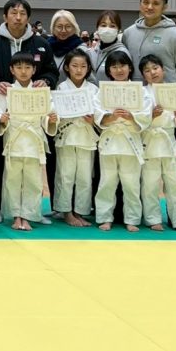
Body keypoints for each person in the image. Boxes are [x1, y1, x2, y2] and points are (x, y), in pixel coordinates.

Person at [0, 0, 58, 224]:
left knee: (33, 170)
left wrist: (45, 80)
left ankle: (33, 211)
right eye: (13, 13)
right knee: (0, 163)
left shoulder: (41, 43)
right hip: (5, 110)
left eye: (22, 13)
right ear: (5, 16)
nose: (18, 17)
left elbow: (52, 72)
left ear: (28, 18)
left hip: (34, 112)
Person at [0, 52, 58, 231]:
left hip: (34, 141)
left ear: (34, 70)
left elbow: (49, 113)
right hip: (13, 140)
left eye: (28, 67)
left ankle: (28, 216)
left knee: (34, 181)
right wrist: (1, 119)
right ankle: (16, 216)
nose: (23, 71)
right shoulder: (5, 92)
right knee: (12, 180)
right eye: (19, 67)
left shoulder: (41, 92)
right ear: (11, 70)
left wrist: (51, 119)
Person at [94, 51, 151, 232]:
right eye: (114, 66)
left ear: (130, 68)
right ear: (109, 70)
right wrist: (110, 117)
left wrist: (132, 117)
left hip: (130, 141)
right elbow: (97, 113)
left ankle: (132, 219)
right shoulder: (102, 91)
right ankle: (105, 217)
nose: (119, 70)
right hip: (109, 141)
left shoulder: (140, 91)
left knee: (131, 183)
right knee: (107, 182)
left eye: (122, 66)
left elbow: (146, 115)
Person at [140, 54, 176, 233]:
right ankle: (152, 219)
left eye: (155, 68)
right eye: (147, 70)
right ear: (143, 75)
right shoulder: (141, 93)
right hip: (149, 141)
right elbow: (136, 119)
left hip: (169, 141)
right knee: (150, 184)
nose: (152, 72)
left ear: (163, 69)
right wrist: (151, 116)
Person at [54, 50, 98, 227]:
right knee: (65, 175)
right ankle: (66, 211)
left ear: (88, 69)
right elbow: (56, 113)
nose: (79, 70)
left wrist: (93, 119)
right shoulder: (61, 88)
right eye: (75, 66)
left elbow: (100, 113)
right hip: (67, 136)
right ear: (67, 67)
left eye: (83, 66)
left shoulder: (93, 89)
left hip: (87, 136)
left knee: (85, 177)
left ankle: (80, 211)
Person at [123, 0, 176, 82]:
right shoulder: (128, 33)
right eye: (146, 2)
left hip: (167, 91)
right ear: (140, 4)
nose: (150, 7)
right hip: (137, 90)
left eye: (156, 3)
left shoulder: (175, 36)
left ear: (164, 7)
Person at [88, 10, 130, 83]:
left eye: (112, 26)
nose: (107, 29)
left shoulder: (123, 53)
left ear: (118, 30)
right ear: (97, 28)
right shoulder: (92, 52)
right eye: (103, 25)